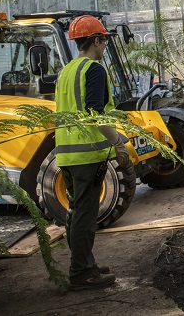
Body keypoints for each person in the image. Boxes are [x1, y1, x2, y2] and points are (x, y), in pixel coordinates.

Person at [54, 15, 133, 290]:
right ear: (97, 41)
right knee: (85, 217)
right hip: (86, 156)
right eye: (103, 40)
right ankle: (82, 274)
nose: (104, 46)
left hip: (65, 155)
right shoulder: (94, 69)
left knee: (75, 213)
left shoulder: (67, 71)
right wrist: (117, 143)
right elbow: (94, 114)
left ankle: (84, 263)